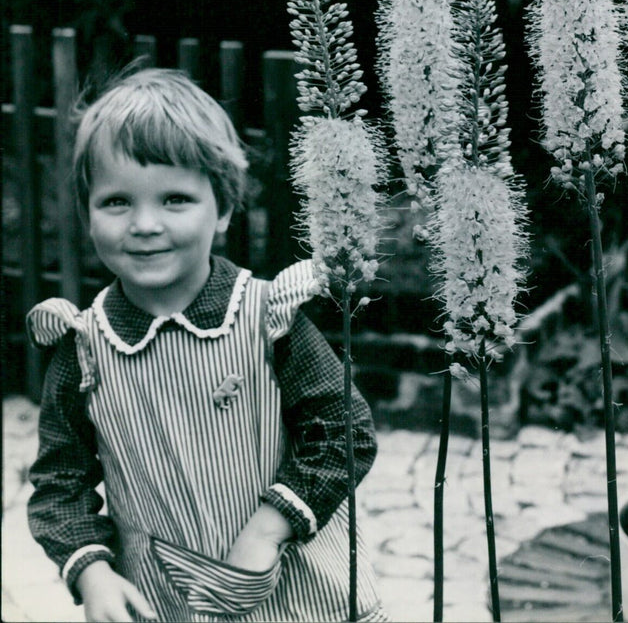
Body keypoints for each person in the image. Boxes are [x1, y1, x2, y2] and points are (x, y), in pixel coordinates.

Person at [26, 66, 388, 623]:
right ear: (86, 215)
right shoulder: (82, 347)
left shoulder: (269, 317)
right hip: (164, 600)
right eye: (117, 202)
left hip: (298, 591)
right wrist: (92, 573)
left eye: (175, 199)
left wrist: (269, 529)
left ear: (221, 209)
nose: (145, 224)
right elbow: (59, 483)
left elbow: (344, 434)